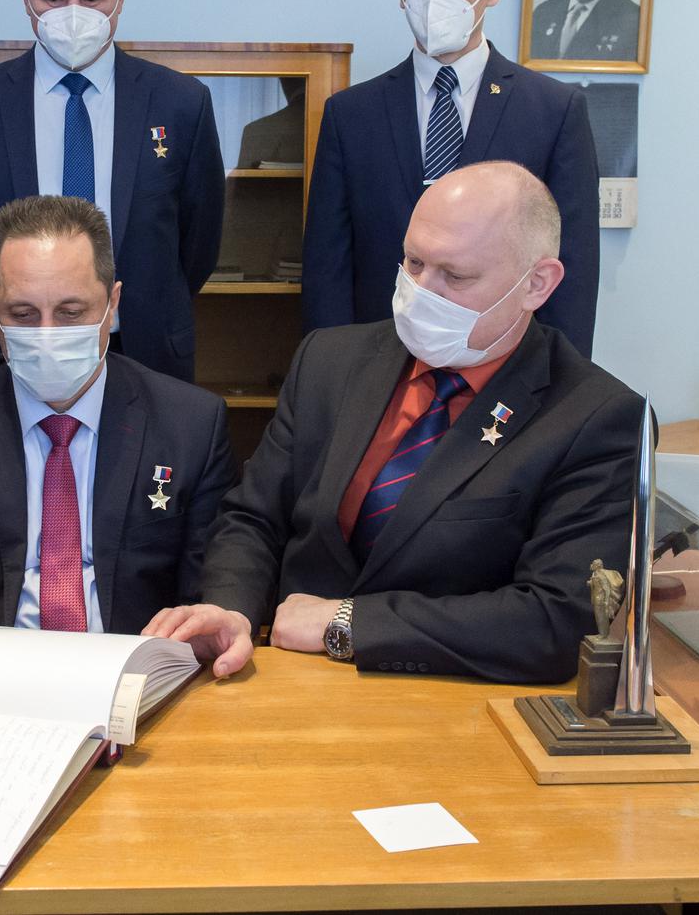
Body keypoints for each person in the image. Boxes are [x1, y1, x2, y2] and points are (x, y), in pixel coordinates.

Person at [148, 162, 642, 684]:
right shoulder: (330, 359)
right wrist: (233, 609)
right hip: (287, 683)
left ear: (537, 284)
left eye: (456, 276)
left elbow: (556, 620)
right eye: (413, 262)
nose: (422, 291)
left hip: (450, 705)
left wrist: (350, 624)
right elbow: (254, 516)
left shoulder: (596, 417)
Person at [0, 195, 236, 634]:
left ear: (112, 303)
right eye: (22, 314)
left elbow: (208, 593)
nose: (47, 335)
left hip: (129, 669)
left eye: (71, 313)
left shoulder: (190, 424)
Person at [0, 0, 225, 382]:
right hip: (15, 346)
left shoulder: (182, 103)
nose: (73, 14)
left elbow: (199, 242)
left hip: (144, 347)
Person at [301, 0, 599, 359]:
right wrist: (328, 370)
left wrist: (561, 386)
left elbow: (571, 266)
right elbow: (328, 267)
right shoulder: (351, 114)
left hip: (504, 363)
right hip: (378, 359)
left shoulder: (553, 110)